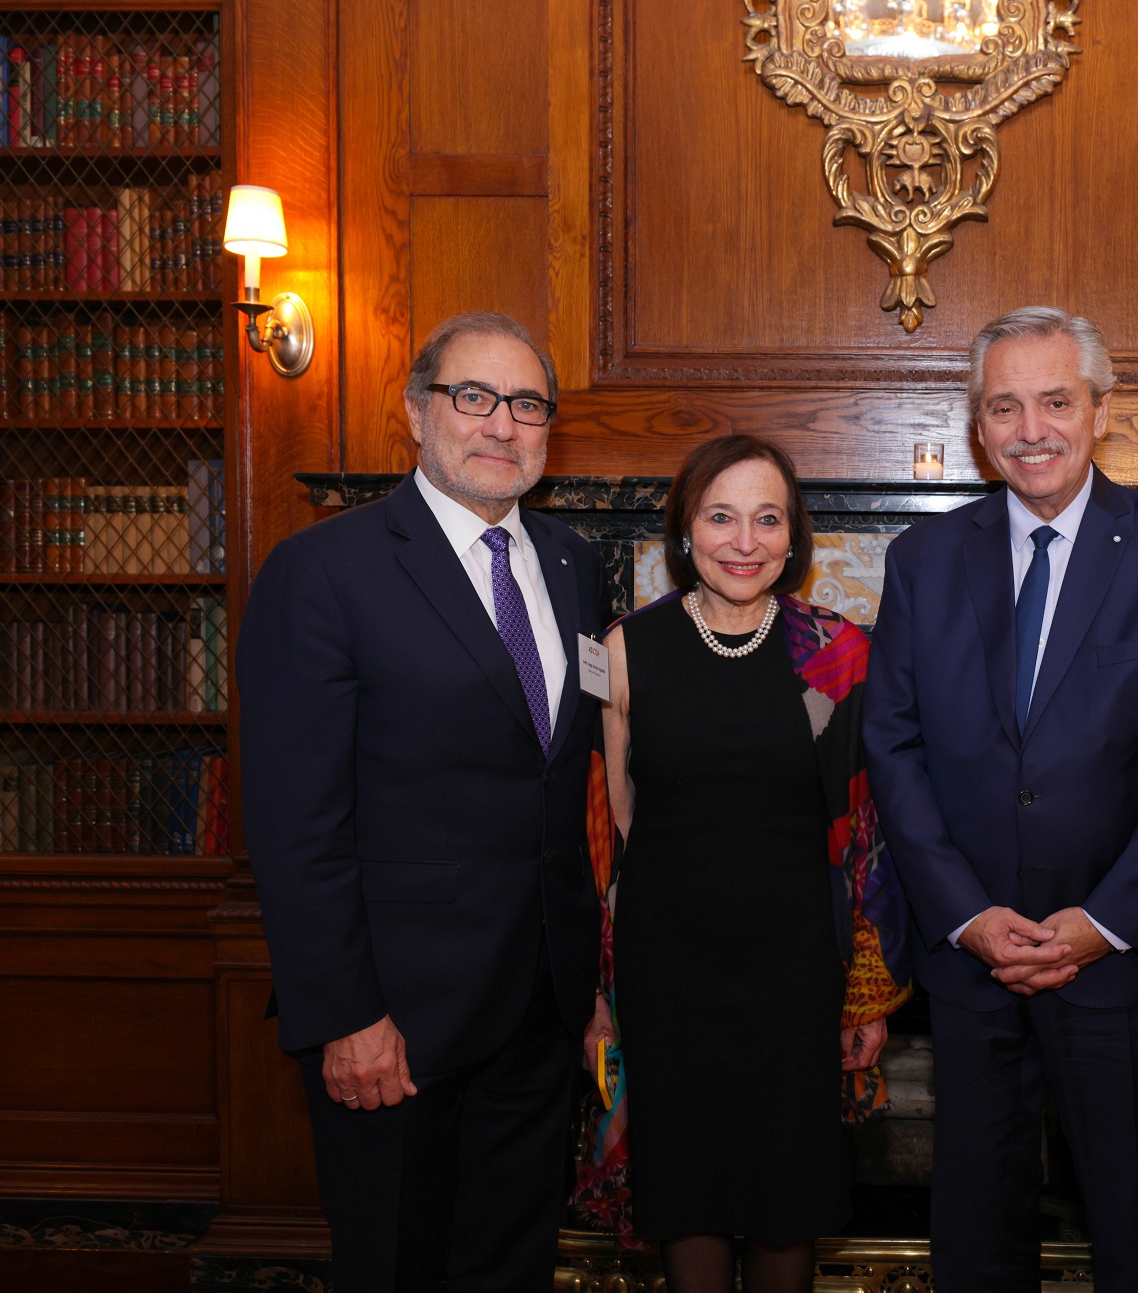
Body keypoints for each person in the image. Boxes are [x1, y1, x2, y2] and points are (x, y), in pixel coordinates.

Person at [863, 306, 1138, 1292]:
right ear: (978, 426)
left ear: (1100, 410)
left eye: (1056, 402)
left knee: (1134, 1239)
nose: (1031, 429)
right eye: (1004, 407)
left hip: (1116, 967)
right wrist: (967, 916)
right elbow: (892, 747)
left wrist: (1102, 924)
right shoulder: (921, 560)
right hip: (970, 959)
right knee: (976, 1237)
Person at [237, 311, 609, 1293]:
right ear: (414, 410)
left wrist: (587, 989)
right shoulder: (323, 570)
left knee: (511, 1267)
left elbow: (563, 783)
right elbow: (293, 822)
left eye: (526, 404)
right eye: (473, 396)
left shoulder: (573, 566)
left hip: (539, 1011)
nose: (501, 424)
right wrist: (346, 1012)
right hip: (396, 1023)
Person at [595, 435, 911, 1293]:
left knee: (785, 1201)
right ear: (684, 529)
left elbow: (870, 834)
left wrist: (865, 991)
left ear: (793, 534)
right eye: (721, 517)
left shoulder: (838, 652)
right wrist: (600, 994)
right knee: (685, 1194)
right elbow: (612, 829)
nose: (745, 541)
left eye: (767, 519)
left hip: (796, 975)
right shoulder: (624, 647)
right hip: (667, 972)